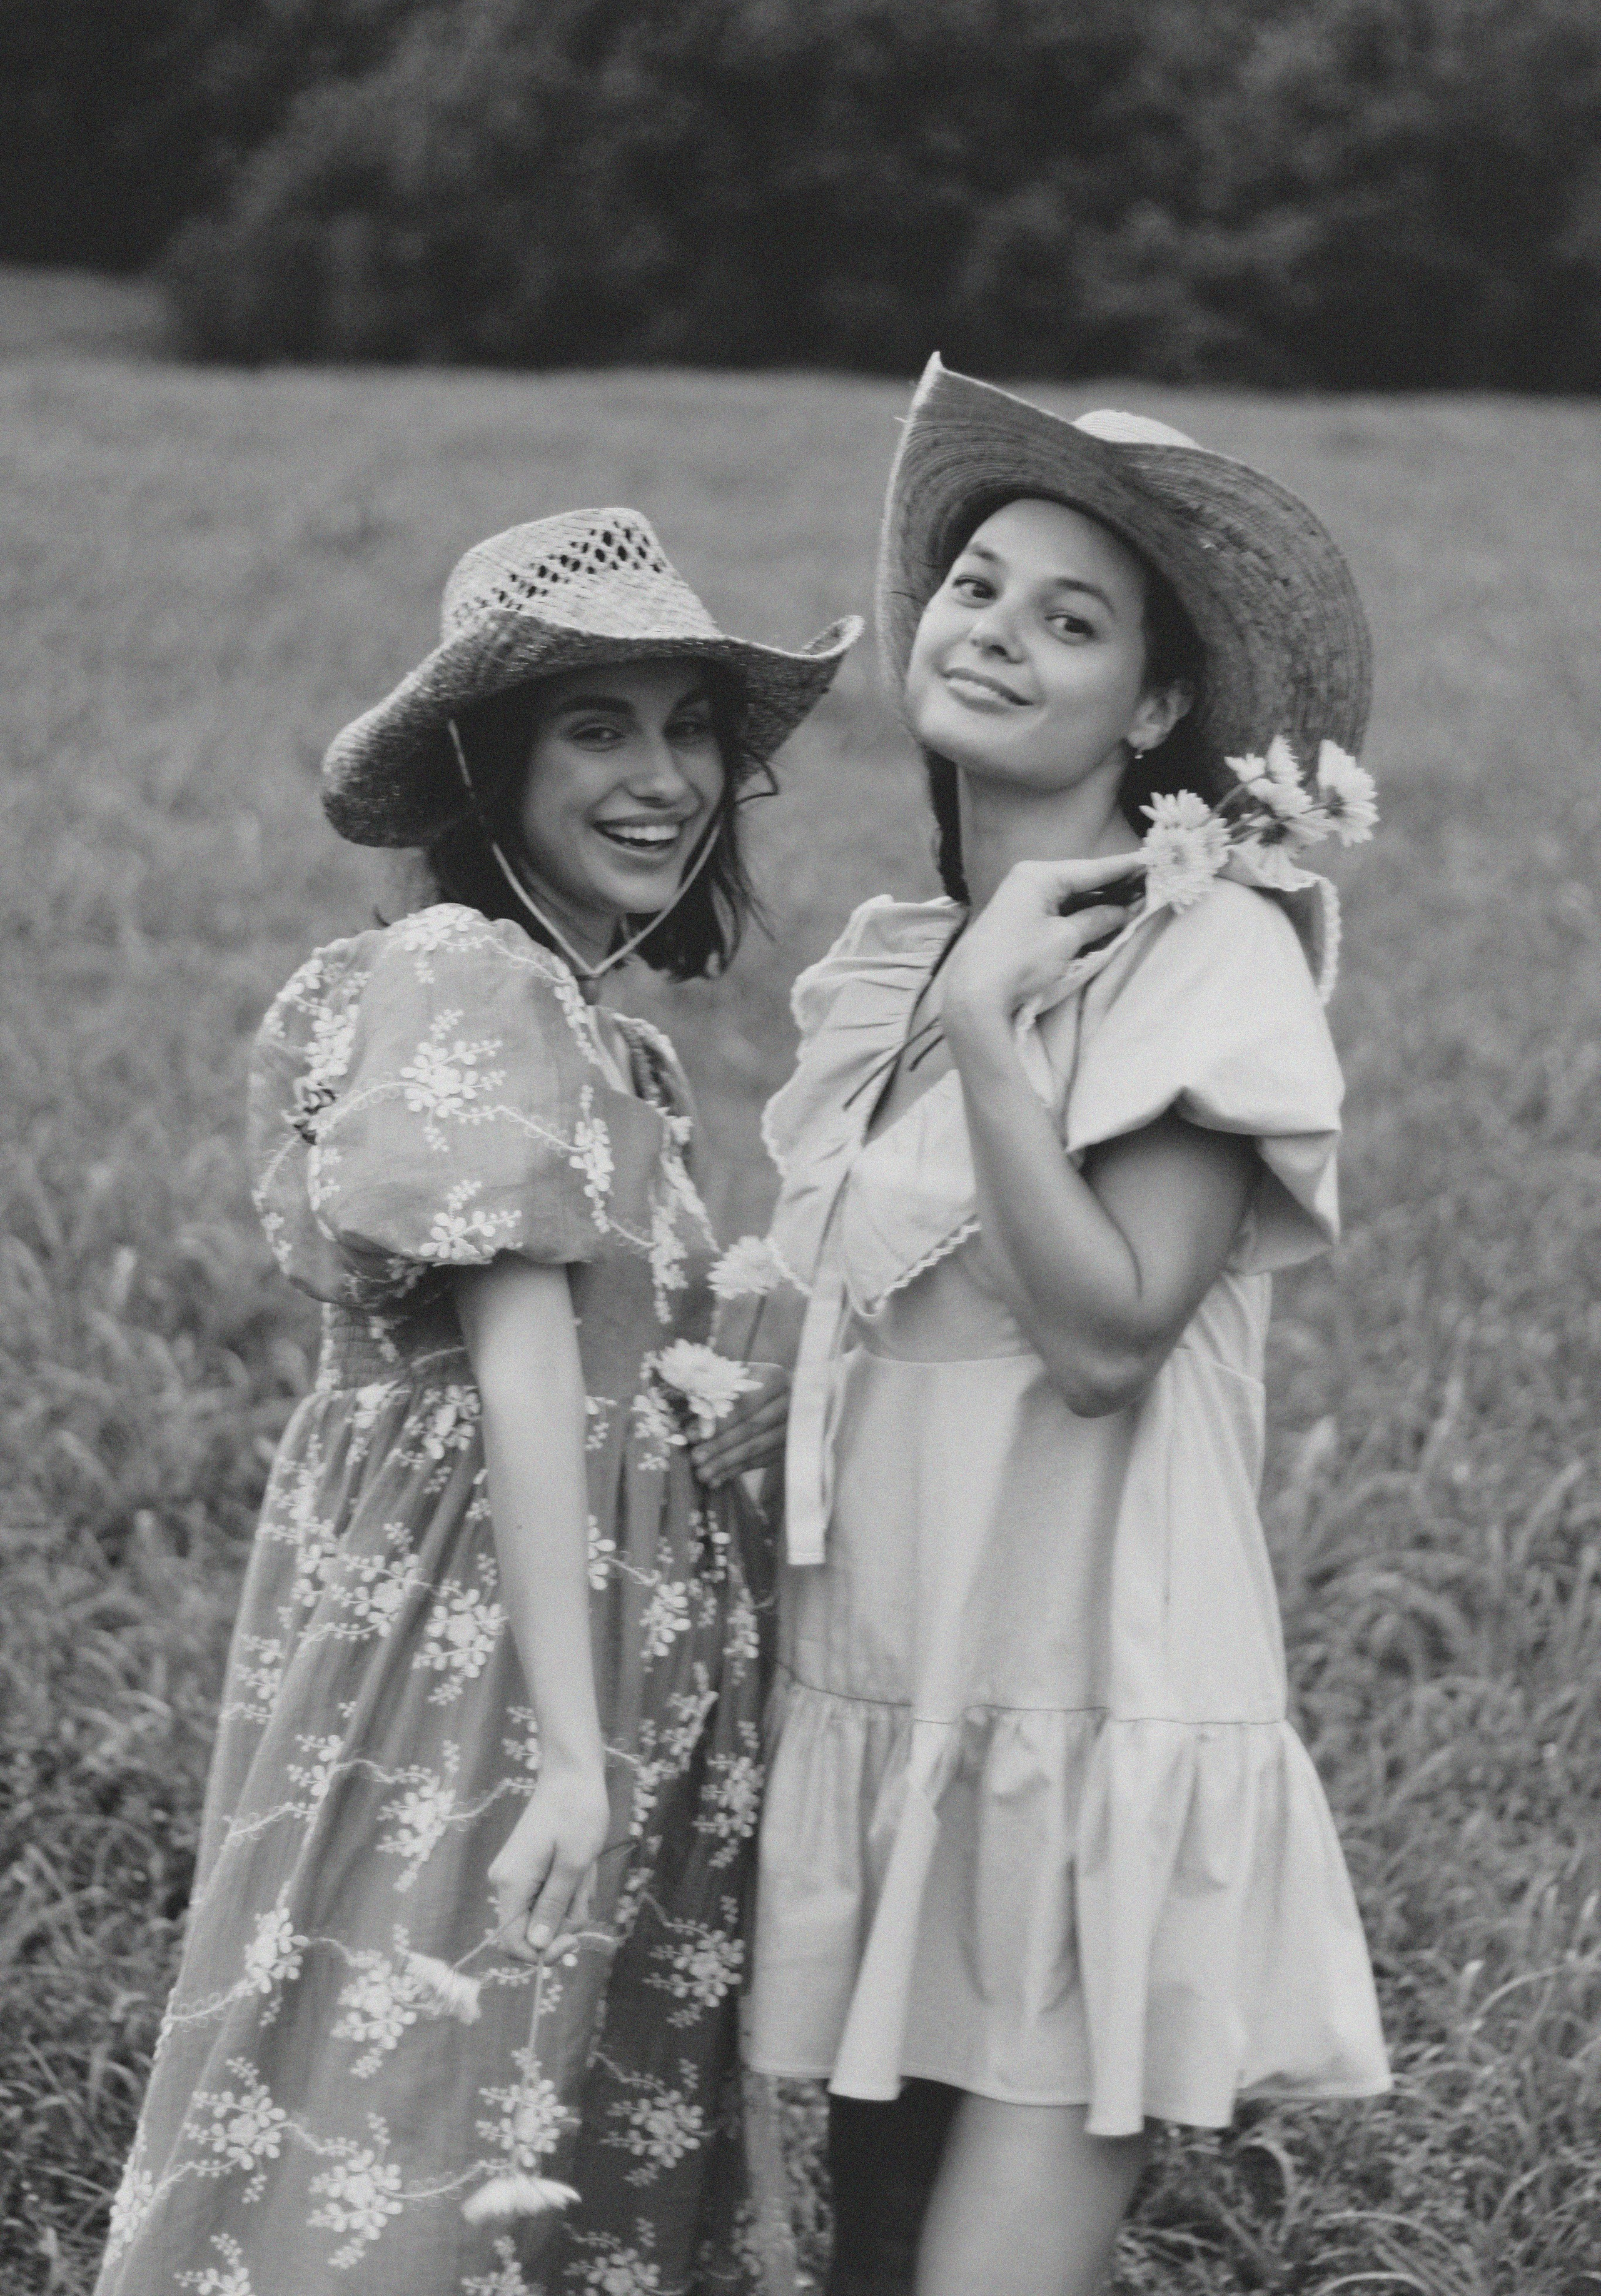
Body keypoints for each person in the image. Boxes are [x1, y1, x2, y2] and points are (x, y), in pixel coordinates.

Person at [96, 506, 860, 2296]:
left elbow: (596, 1358)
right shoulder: (469, 972)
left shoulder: (614, 1032)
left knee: (524, 2095)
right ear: (490, 760)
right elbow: (519, 1362)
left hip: (582, 1627)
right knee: (423, 2073)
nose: (662, 775)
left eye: (689, 729)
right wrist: (578, 1758)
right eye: (599, 727)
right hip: (488, 1648)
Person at [728, 361, 1391, 2296]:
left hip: (1085, 1722)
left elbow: (1107, 1337)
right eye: (979, 588)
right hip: (896, 1717)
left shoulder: (1210, 951)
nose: (998, 633)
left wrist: (995, 1040)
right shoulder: (899, 969)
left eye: (1072, 619)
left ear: (1160, 706)